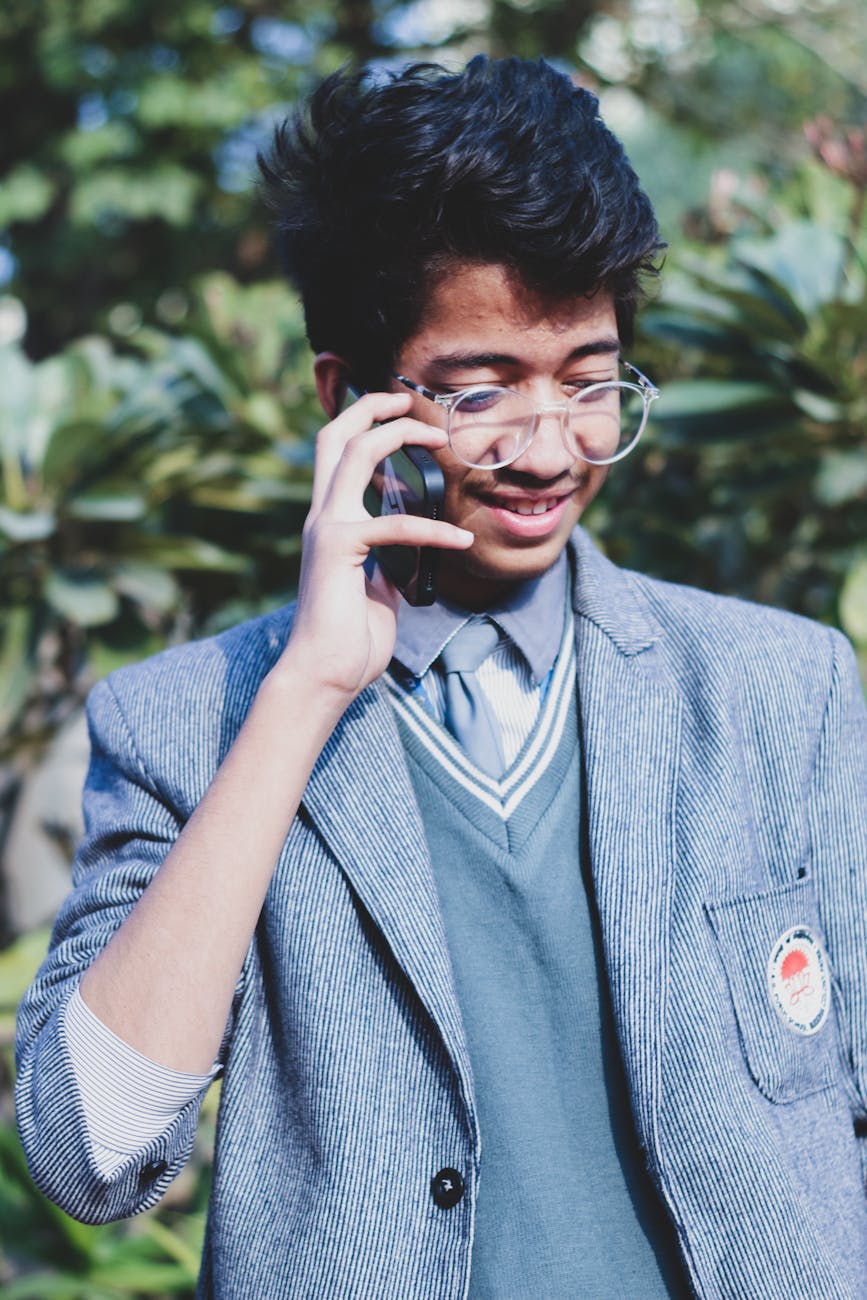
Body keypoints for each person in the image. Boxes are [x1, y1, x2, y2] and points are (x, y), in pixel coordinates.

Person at [15, 56, 867, 1300]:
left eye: (589, 380)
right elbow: (88, 1152)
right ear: (346, 401)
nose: (548, 450)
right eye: (481, 391)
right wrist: (306, 691)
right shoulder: (188, 722)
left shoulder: (779, 689)